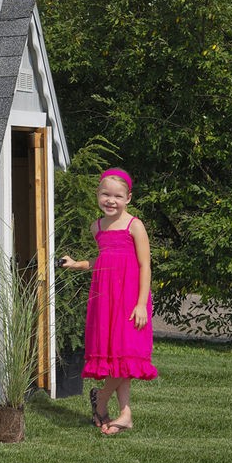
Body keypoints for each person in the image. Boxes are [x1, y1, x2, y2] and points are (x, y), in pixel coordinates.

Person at [58, 168, 157, 435]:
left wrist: (140, 304)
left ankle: (101, 399)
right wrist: (77, 263)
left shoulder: (134, 225)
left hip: (130, 299)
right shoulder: (97, 227)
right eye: (105, 194)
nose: (110, 200)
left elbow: (145, 266)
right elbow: (104, 260)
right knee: (117, 357)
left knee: (127, 351)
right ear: (98, 195)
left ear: (128, 198)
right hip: (105, 298)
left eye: (117, 196)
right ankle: (125, 414)